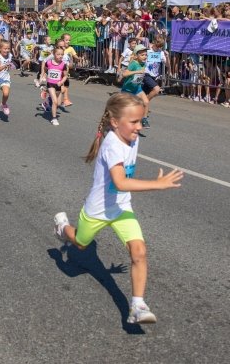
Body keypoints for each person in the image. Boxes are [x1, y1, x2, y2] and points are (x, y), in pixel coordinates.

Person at [53, 92, 183, 325]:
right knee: (81, 244)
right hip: (98, 209)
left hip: (121, 207)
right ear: (115, 122)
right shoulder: (112, 144)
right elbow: (121, 182)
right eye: (133, 122)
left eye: (141, 120)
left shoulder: (133, 137)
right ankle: (62, 227)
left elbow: (123, 186)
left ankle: (137, 305)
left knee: (139, 251)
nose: (139, 126)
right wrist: (158, 184)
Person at [120, 44, 151, 127]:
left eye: (145, 55)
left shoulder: (143, 64)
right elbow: (125, 74)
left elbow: (140, 76)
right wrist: (137, 72)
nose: (145, 56)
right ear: (136, 55)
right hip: (127, 90)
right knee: (126, 109)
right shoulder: (133, 64)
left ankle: (144, 119)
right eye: (142, 55)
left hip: (137, 88)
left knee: (146, 102)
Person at [42, 46, 68, 126]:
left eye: (62, 54)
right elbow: (45, 70)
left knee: (59, 103)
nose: (60, 56)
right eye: (58, 54)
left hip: (58, 85)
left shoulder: (63, 65)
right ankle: (54, 118)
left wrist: (61, 82)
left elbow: (65, 76)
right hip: (50, 84)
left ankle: (46, 101)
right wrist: (43, 76)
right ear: (54, 54)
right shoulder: (49, 62)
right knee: (55, 102)